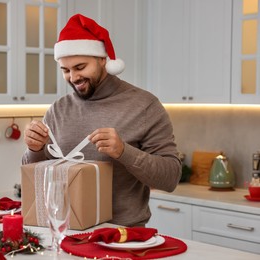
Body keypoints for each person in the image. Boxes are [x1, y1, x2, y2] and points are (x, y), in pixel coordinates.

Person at [22, 14, 181, 227]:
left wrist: (124, 152)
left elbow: (170, 178)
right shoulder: (58, 109)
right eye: (65, 70)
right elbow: (37, 177)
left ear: (102, 60)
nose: (73, 77)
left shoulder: (145, 106)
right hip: (63, 232)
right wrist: (34, 149)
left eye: (80, 67)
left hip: (122, 236)